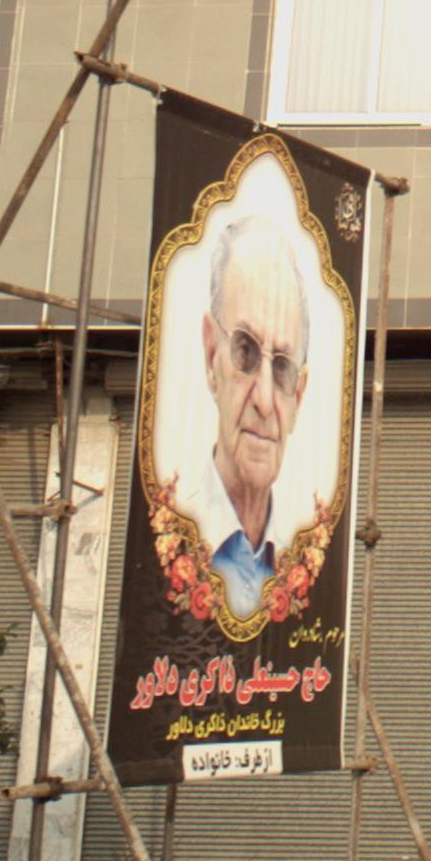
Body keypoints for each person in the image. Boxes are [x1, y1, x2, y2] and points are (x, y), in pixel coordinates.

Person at [180, 215, 310, 618]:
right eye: (245, 352)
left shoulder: (304, 561)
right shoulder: (174, 535)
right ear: (211, 355)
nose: (265, 401)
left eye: (283, 367)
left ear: (299, 397)